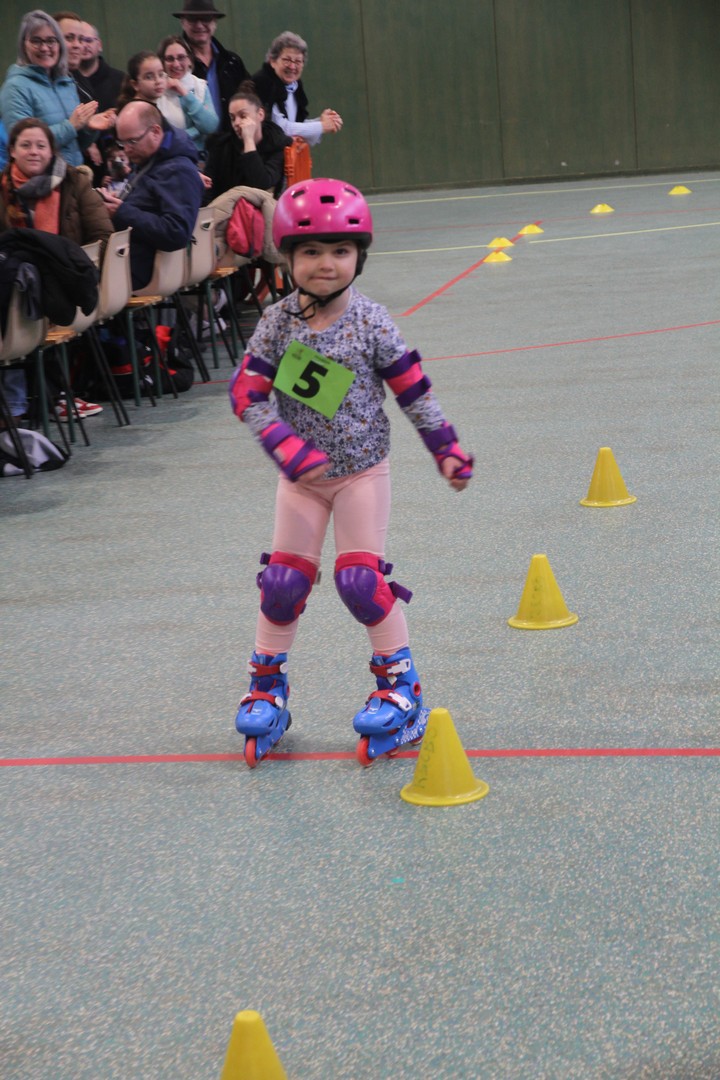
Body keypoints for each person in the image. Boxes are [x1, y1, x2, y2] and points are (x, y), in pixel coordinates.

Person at [228, 178, 473, 768]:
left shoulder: (371, 322)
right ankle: (267, 687)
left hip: (361, 473)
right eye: (311, 251)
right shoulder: (278, 323)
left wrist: (445, 447)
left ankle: (401, 690)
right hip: (301, 481)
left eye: (340, 250)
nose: (326, 263)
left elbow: (414, 391)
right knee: (281, 583)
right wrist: (283, 444)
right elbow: (246, 393)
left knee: (361, 582)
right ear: (287, 257)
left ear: (358, 256)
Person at [0, 117, 112, 421]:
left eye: (41, 145)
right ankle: (21, 403)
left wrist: (67, 265)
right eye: (26, 145)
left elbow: (104, 237)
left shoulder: (75, 182)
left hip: (69, 284)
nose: (33, 151)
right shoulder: (2, 189)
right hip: (21, 291)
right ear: (12, 151)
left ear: (52, 150)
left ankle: (43, 398)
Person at [100, 100, 204, 290]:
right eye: (122, 143)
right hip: (125, 261)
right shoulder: (151, 159)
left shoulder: (176, 170)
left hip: (134, 270)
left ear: (155, 132)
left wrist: (122, 212)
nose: (126, 150)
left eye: (132, 141)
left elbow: (176, 232)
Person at [1, 10, 115, 168]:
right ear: (24, 45)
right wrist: (71, 126)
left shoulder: (66, 83)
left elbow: (75, 146)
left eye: (51, 41)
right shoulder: (15, 87)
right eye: (36, 41)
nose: (44, 48)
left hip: (72, 177)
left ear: (59, 45)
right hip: (40, 180)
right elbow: (24, 145)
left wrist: (89, 128)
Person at [252, 31, 342, 147]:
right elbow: (281, 129)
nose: (292, 66)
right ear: (272, 61)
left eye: (298, 61)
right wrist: (321, 126)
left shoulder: (295, 85)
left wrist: (322, 121)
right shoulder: (263, 83)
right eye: (287, 60)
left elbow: (296, 126)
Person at [173, 0, 249, 132]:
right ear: (182, 22)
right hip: (192, 143)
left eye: (206, 18)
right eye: (192, 19)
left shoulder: (232, 61)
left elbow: (250, 101)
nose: (199, 25)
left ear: (215, 22)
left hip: (232, 141)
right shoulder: (174, 66)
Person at [204, 85, 290, 200]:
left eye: (243, 116)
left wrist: (248, 141)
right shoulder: (220, 146)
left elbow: (261, 184)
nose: (236, 123)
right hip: (224, 207)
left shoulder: (277, 144)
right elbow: (209, 189)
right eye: (232, 118)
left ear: (260, 114)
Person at [156, 35, 219, 155]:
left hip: (200, 157)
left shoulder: (200, 86)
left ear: (190, 59)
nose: (176, 64)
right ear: (162, 63)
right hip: (169, 157)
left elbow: (210, 126)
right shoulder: (157, 90)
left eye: (181, 57)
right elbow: (162, 137)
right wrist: (198, 130)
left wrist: (183, 92)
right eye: (170, 59)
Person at [77, 22, 124, 113]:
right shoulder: (67, 82)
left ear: (99, 45)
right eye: (80, 40)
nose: (84, 45)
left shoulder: (120, 80)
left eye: (88, 40)